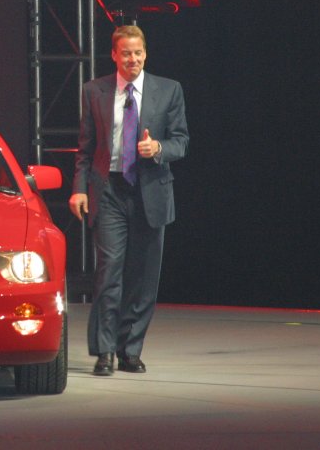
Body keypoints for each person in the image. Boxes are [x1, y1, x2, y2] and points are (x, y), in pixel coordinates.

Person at [69, 24, 189, 376]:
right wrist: (79, 188)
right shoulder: (94, 91)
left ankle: (129, 349)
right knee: (109, 273)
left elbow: (181, 141)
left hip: (150, 191)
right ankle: (105, 351)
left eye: (137, 53)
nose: (132, 59)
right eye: (125, 53)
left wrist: (158, 148)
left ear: (145, 54)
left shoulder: (169, 90)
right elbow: (86, 148)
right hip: (109, 190)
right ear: (114, 55)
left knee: (143, 278)